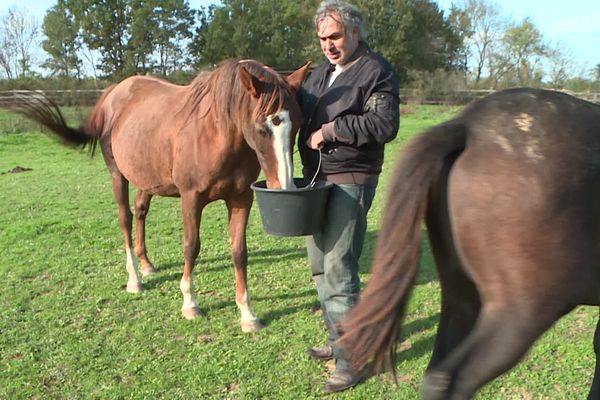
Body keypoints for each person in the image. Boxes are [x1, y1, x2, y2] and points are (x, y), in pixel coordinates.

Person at [297, 0, 400, 394]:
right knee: (320, 266)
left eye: (336, 36)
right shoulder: (320, 75)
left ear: (356, 32)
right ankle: (340, 339)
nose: (329, 44)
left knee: (340, 269)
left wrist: (332, 130)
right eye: (323, 38)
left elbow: (384, 123)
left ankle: (352, 361)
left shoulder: (377, 71)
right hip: (315, 180)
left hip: (351, 179)